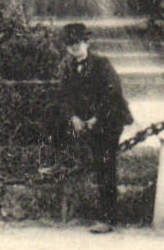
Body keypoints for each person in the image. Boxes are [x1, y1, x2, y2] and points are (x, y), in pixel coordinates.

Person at [55, 22, 133, 233]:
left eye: (77, 42)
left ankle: (108, 219)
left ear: (87, 42)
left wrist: (96, 118)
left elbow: (112, 94)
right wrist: (72, 117)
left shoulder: (102, 64)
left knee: (105, 165)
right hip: (83, 120)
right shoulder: (66, 66)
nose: (74, 47)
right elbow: (63, 96)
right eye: (69, 43)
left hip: (108, 121)